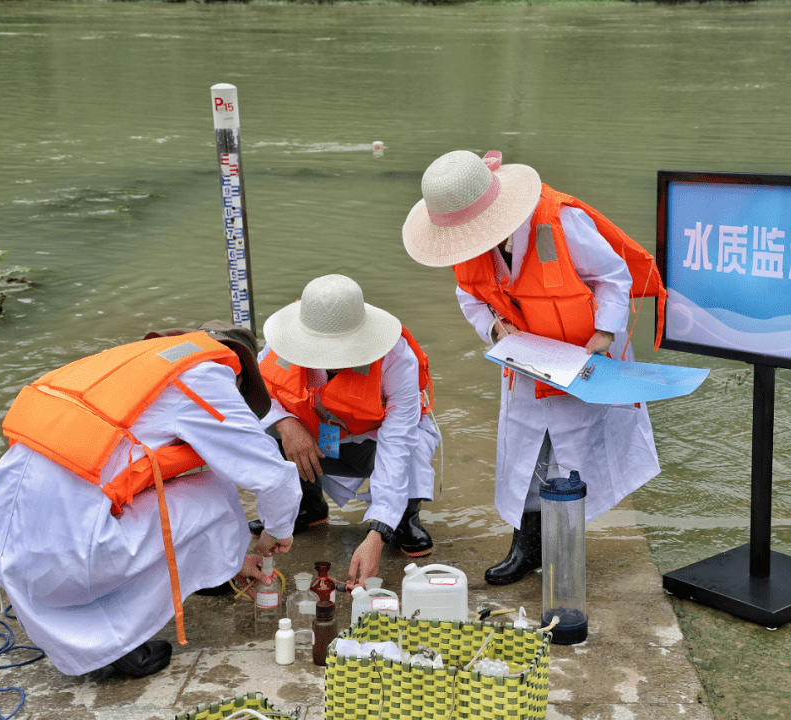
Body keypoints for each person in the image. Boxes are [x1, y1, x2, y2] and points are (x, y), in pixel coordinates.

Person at [0, 321, 302, 678]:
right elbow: (273, 477)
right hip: (65, 561)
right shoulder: (206, 375)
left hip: (3, 541)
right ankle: (112, 644)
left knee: (159, 487)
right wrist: (276, 531)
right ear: (239, 374)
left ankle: (211, 571)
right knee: (217, 494)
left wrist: (231, 559)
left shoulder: (129, 368)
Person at [402, 150, 666, 585]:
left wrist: (603, 335)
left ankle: (564, 552)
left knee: (575, 457)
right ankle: (524, 547)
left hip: (585, 354)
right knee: (523, 455)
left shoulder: (560, 222)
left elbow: (614, 277)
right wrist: (494, 330)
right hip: (526, 359)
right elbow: (470, 296)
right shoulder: (464, 247)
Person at [248, 274, 440, 590]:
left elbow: (397, 444)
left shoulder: (396, 357)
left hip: (374, 439)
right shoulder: (283, 342)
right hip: (317, 432)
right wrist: (286, 424)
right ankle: (307, 507)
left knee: (415, 441)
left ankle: (402, 519)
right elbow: (257, 393)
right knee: (264, 431)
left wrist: (377, 531)